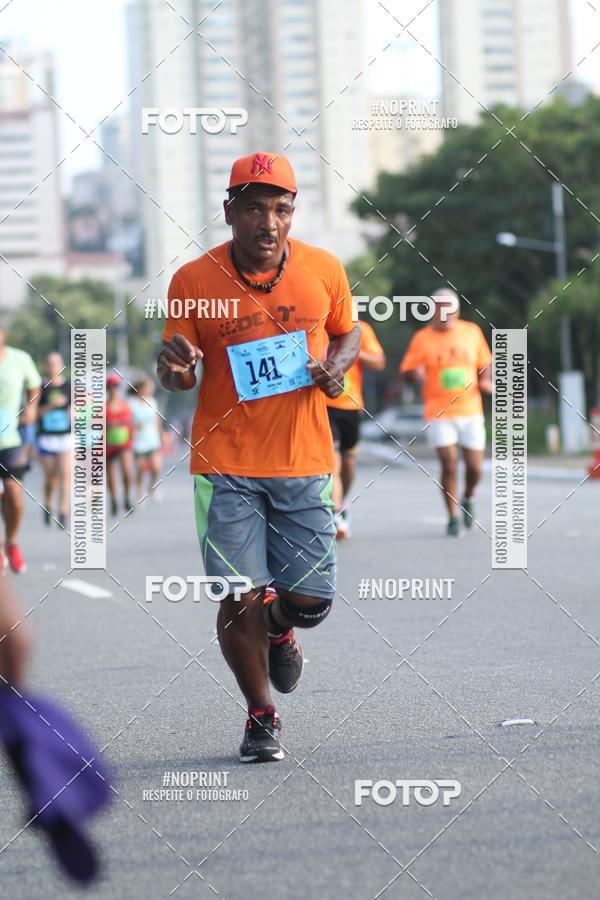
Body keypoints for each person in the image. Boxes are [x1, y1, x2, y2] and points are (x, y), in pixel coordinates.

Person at [157, 151, 359, 763]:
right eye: (252, 208)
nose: (267, 222)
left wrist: (337, 368)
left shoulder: (324, 269)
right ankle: (260, 715)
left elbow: (346, 332)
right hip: (224, 462)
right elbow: (178, 367)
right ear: (229, 213)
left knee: (311, 603)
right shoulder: (193, 280)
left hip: (303, 459)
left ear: (292, 213)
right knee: (235, 592)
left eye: (280, 208)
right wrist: (174, 371)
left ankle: (282, 621)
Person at [400, 289, 492, 536]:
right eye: (438, 307)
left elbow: (486, 363)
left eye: (448, 307)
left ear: (457, 310)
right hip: (438, 412)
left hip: (470, 410)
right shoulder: (422, 338)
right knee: (449, 464)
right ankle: (452, 516)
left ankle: (468, 496)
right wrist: (414, 374)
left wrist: (485, 381)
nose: (444, 312)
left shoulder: (471, 332)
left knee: (475, 468)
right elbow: (406, 369)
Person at [326, 319, 385, 539]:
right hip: (324, 403)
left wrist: (352, 350)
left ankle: (342, 504)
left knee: (348, 463)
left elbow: (379, 363)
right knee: (333, 461)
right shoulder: (316, 323)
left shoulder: (360, 328)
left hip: (350, 405)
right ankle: (335, 513)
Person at [0, 328, 41, 573]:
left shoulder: (20, 359)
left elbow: (34, 386)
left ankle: (11, 543)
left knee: (14, 496)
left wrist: (32, 408)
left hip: (11, 436)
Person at [37, 352, 71, 529]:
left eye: (56, 363)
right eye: (50, 364)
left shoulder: (68, 386)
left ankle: (63, 512)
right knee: (52, 478)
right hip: (46, 438)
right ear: (45, 366)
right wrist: (52, 405)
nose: (53, 367)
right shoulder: (40, 388)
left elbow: (79, 408)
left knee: (66, 475)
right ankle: (48, 504)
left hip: (65, 437)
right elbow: (33, 413)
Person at [128, 377, 163, 502]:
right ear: (140, 389)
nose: (150, 390)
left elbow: (157, 420)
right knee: (140, 468)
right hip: (138, 440)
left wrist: (161, 435)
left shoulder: (152, 402)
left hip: (152, 438)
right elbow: (127, 420)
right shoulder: (131, 403)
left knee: (156, 466)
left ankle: (153, 487)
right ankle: (139, 492)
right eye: (148, 387)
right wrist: (132, 428)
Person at [105, 374, 134, 516]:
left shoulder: (125, 405)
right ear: (107, 388)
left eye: (117, 386)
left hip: (124, 444)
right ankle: (114, 501)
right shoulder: (103, 408)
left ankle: (127, 498)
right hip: (109, 445)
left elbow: (130, 424)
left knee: (127, 472)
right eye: (112, 386)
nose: (114, 389)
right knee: (111, 476)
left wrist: (132, 438)